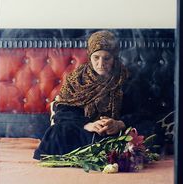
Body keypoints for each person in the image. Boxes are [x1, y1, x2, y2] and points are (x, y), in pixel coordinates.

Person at [33, 30, 128, 160]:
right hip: (83, 130)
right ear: (89, 56)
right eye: (96, 57)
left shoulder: (126, 78)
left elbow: (141, 112)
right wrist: (87, 125)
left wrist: (118, 124)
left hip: (115, 133)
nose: (100, 64)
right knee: (57, 132)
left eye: (106, 58)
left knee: (138, 134)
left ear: (114, 58)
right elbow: (63, 111)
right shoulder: (77, 78)